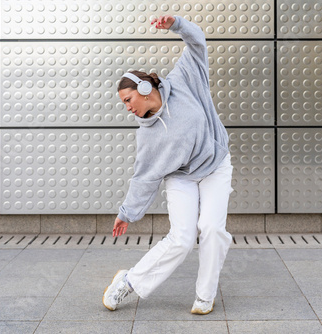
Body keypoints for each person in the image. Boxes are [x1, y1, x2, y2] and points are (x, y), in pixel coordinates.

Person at [103, 14, 233, 315]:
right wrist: (127, 213)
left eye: (127, 98)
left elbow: (197, 42)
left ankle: (205, 295)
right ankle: (128, 281)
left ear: (145, 88)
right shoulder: (146, 136)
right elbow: (144, 177)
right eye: (123, 103)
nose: (127, 106)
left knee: (212, 228)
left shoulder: (184, 78)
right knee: (182, 238)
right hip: (181, 177)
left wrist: (177, 24)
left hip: (215, 164)